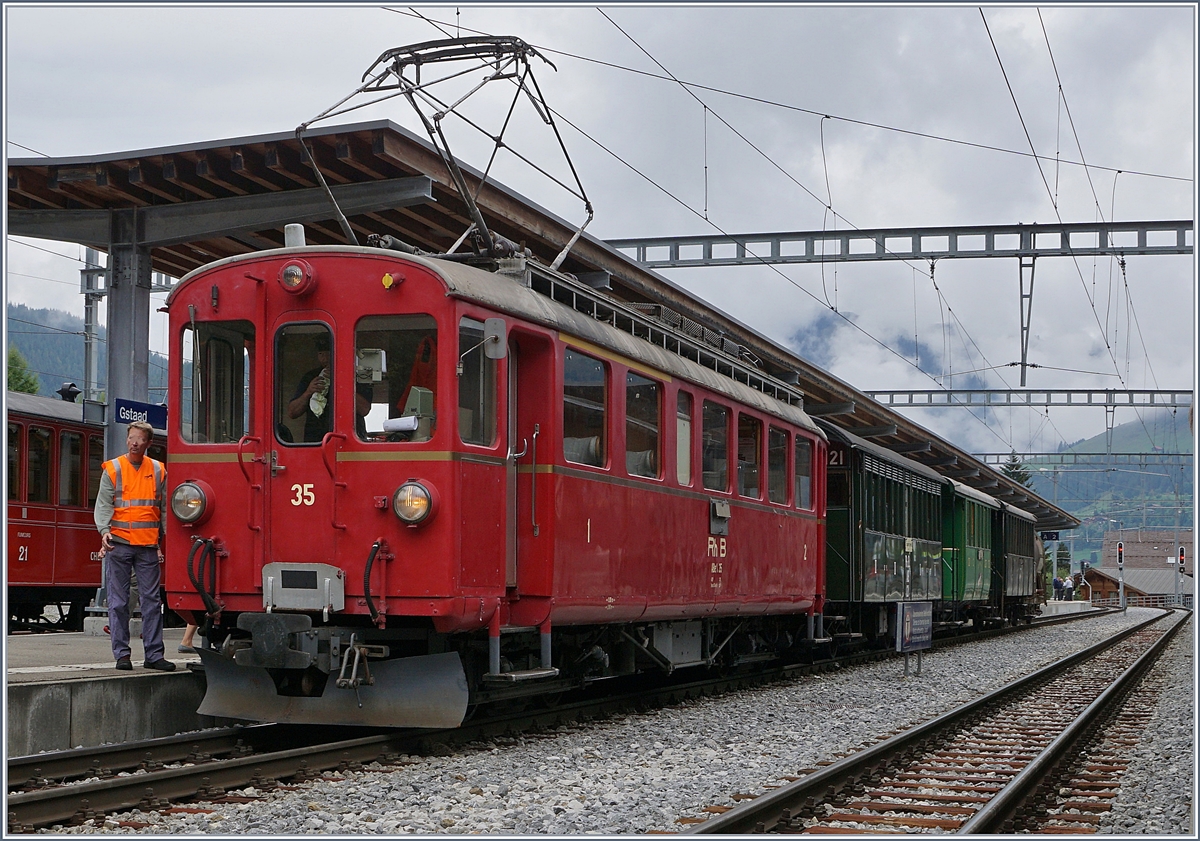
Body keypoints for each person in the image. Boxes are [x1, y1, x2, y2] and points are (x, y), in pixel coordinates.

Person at [94, 421, 174, 671]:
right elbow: (103, 504)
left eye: (140, 439)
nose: (134, 443)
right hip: (119, 544)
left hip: (148, 545)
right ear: (126, 440)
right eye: (131, 438)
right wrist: (104, 531)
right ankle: (122, 655)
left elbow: (164, 509)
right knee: (118, 602)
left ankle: (154, 655)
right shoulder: (113, 468)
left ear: (149, 443)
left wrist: (167, 540)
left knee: (152, 602)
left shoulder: (159, 470)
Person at [287, 336, 332, 442]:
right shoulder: (310, 377)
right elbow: (292, 412)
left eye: (328, 354)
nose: (325, 359)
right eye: (321, 354)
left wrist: (341, 383)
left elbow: (364, 409)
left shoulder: (352, 376)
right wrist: (309, 392)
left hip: (345, 440)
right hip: (314, 441)